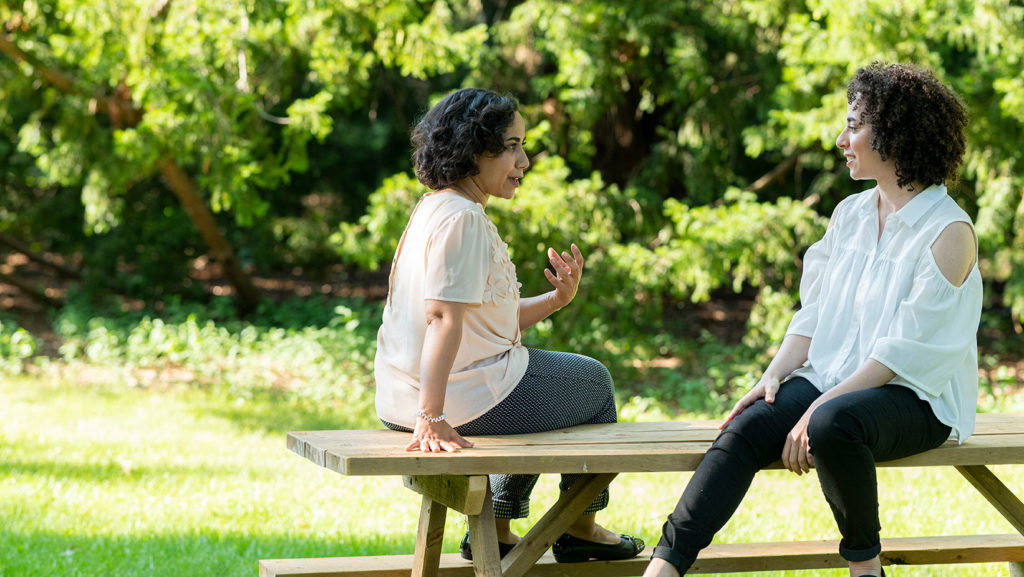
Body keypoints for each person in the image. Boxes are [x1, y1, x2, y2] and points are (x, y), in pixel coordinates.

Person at [644, 62, 981, 577]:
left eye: (853, 125)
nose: (841, 138)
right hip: (834, 378)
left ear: (893, 133)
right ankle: (665, 567)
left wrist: (818, 404)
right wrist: (774, 374)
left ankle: (865, 568)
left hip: (917, 397)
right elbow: (816, 312)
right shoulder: (850, 214)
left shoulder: (948, 230)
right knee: (748, 424)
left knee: (831, 423)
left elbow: (901, 352)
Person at [373, 87, 644, 563]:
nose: (524, 160)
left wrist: (558, 299)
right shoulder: (464, 219)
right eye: (513, 145)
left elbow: (486, 319)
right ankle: (579, 526)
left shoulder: (435, 208)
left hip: (402, 398)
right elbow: (441, 318)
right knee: (593, 382)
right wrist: (431, 417)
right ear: (476, 148)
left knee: (546, 385)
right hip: (445, 403)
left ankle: (498, 528)